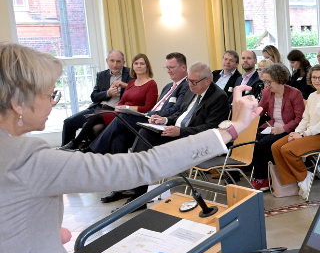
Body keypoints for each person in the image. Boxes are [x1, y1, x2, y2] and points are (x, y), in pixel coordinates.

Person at [0, 43, 262, 253]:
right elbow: (143, 165)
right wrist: (233, 128)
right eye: (49, 94)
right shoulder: (25, 159)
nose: (52, 102)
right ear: (18, 103)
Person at [121, 62, 230, 203]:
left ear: (207, 80)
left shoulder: (218, 97)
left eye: (194, 82)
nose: (190, 85)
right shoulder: (191, 91)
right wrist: (165, 120)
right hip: (176, 133)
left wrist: (180, 131)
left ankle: (136, 193)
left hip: (193, 141)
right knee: (144, 132)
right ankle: (135, 187)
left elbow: (211, 128)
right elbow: (180, 114)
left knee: (145, 138)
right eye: (188, 80)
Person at [91, 53, 190, 204]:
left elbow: (176, 110)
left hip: (159, 124)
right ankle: (121, 188)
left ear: (183, 68)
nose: (168, 71)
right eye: (167, 68)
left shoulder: (186, 86)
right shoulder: (168, 86)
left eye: (172, 67)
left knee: (122, 118)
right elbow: (156, 107)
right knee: (118, 139)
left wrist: (152, 115)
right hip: (148, 119)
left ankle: (95, 152)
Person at [61, 53, 158, 151]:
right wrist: (112, 97)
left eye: (142, 64)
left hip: (130, 115)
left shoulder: (147, 83)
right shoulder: (131, 82)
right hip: (115, 111)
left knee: (98, 121)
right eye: (136, 63)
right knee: (82, 121)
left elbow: (148, 107)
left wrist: (127, 107)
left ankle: (85, 147)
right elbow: (117, 100)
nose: (139, 66)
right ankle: (74, 147)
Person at [271, 65, 320, 199]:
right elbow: (306, 119)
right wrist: (295, 133)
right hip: (309, 134)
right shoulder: (312, 96)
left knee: (287, 150)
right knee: (276, 147)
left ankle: (304, 176)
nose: (317, 80)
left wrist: (303, 135)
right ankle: (294, 181)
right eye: (314, 77)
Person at [249, 64, 305, 191]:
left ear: (279, 79)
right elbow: (260, 110)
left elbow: (299, 118)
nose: (267, 85)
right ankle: (265, 177)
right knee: (254, 140)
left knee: (263, 144)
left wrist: (283, 128)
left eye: (269, 81)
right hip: (273, 127)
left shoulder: (294, 94)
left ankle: (261, 178)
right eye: (265, 81)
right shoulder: (267, 92)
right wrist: (248, 116)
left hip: (289, 130)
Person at [61, 49, 130, 146]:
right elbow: (94, 96)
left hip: (114, 110)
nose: (115, 64)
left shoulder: (131, 74)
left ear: (123, 62)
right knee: (68, 122)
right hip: (97, 108)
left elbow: (137, 90)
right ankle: (66, 151)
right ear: (107, 61)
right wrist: (107, 93)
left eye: (118, 61)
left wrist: (125, 85)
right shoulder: (102, 75)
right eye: (112, 61)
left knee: (91, 126)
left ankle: (78, 147)